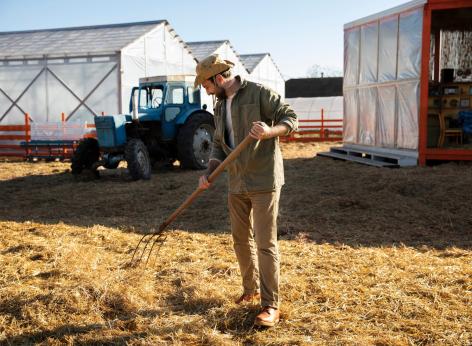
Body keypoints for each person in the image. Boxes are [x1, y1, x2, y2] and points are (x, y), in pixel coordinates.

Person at [195, 54, 298, 327]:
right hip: (236, 182)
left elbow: (290, 118)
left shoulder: (259, 94)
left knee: (265, 244)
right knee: (240, 240)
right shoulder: (218, 106)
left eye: (205, 84)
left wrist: (269, 130)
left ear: (218, 78)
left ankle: (270, 305)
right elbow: (218, 144)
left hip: (263, 180)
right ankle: (250, 290)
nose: (204, 89)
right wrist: (209, 174)